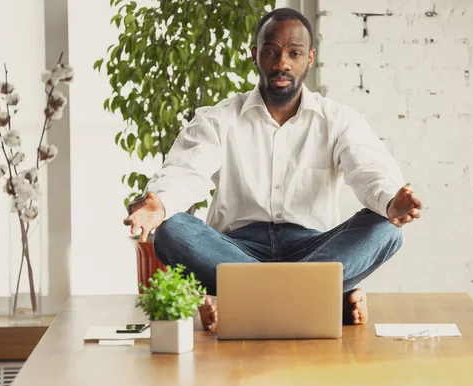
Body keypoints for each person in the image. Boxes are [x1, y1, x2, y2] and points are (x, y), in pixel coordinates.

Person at [123, 8, 422, 331]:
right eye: (271, 52)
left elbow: (369, 169)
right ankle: (315, 301)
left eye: (294, 53)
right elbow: (187, 171)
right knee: (172, 230)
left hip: (314, 251)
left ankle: (247, 301)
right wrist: (160, 202)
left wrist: (392, 201)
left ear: (309, 58)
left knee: (386, 227)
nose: (282, 64)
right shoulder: (218, 119)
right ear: (255, 55)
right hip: (233, 251)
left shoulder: (339, 120)